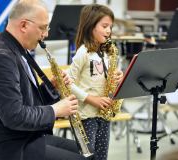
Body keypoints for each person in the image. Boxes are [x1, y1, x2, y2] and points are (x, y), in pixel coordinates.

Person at [0, 0, 88, 160]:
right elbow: (15, 116)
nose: (46, 34)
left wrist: (50, 87)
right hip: (5, 148)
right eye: (43, 28)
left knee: (87, 152)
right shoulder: (1, 58)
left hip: (23, 138)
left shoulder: (17, 50)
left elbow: (27, 101)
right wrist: (55, 110)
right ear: (24, 25)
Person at [67, 4, 124, 160]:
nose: (109, 31)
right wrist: (91, 99)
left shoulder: (108, 52)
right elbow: (68, 83)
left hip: (104, 113)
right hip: (86, 115)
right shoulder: (83, 52)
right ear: (90, 26)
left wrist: (119, 76)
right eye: (104, 26)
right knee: (87, 155)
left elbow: (109, 76)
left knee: (101, 156)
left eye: (110, 27)